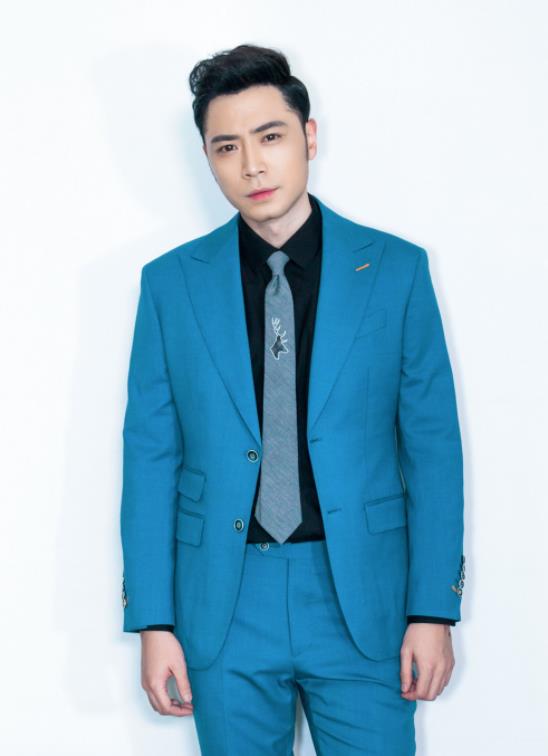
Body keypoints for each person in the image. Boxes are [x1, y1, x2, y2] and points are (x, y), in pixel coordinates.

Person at [120, 43, 466, 755]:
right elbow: (150, 458)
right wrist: (154, 622)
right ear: (208, 158)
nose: (252, 165)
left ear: (309, 137)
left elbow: (433, 449)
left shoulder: (395, 270)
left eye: (270, 136)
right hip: (223, 600)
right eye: (227, 147)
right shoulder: (170, 285)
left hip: (363, 598)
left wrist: (434, 609)